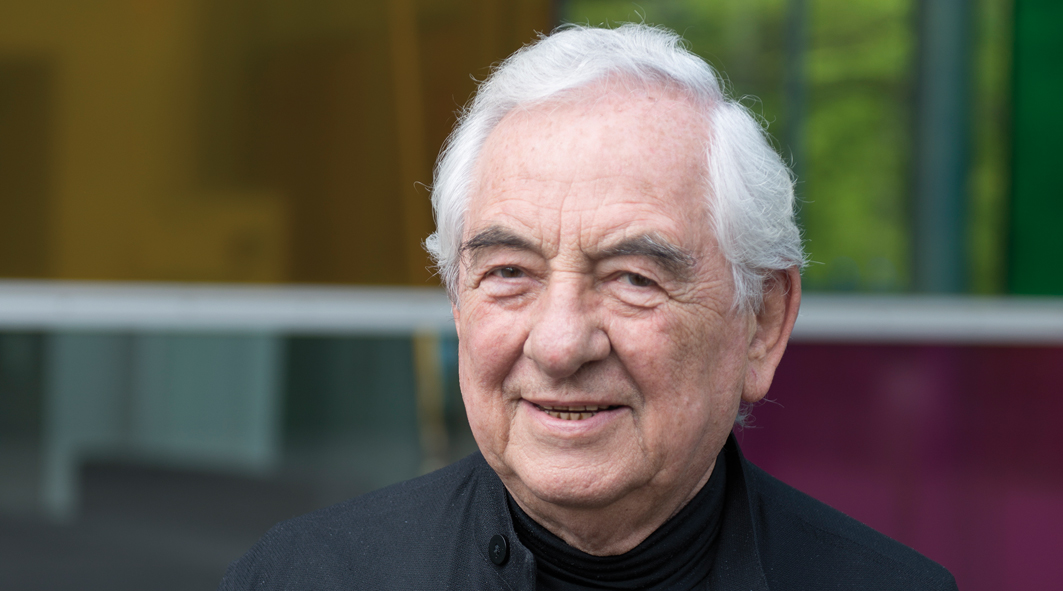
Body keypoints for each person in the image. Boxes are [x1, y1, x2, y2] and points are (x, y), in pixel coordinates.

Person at [220, 24, 957, 590]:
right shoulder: (305, 577)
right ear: (457, 303)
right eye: (510, 272)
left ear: (761, 321)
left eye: (633, 278)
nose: (560, 344)